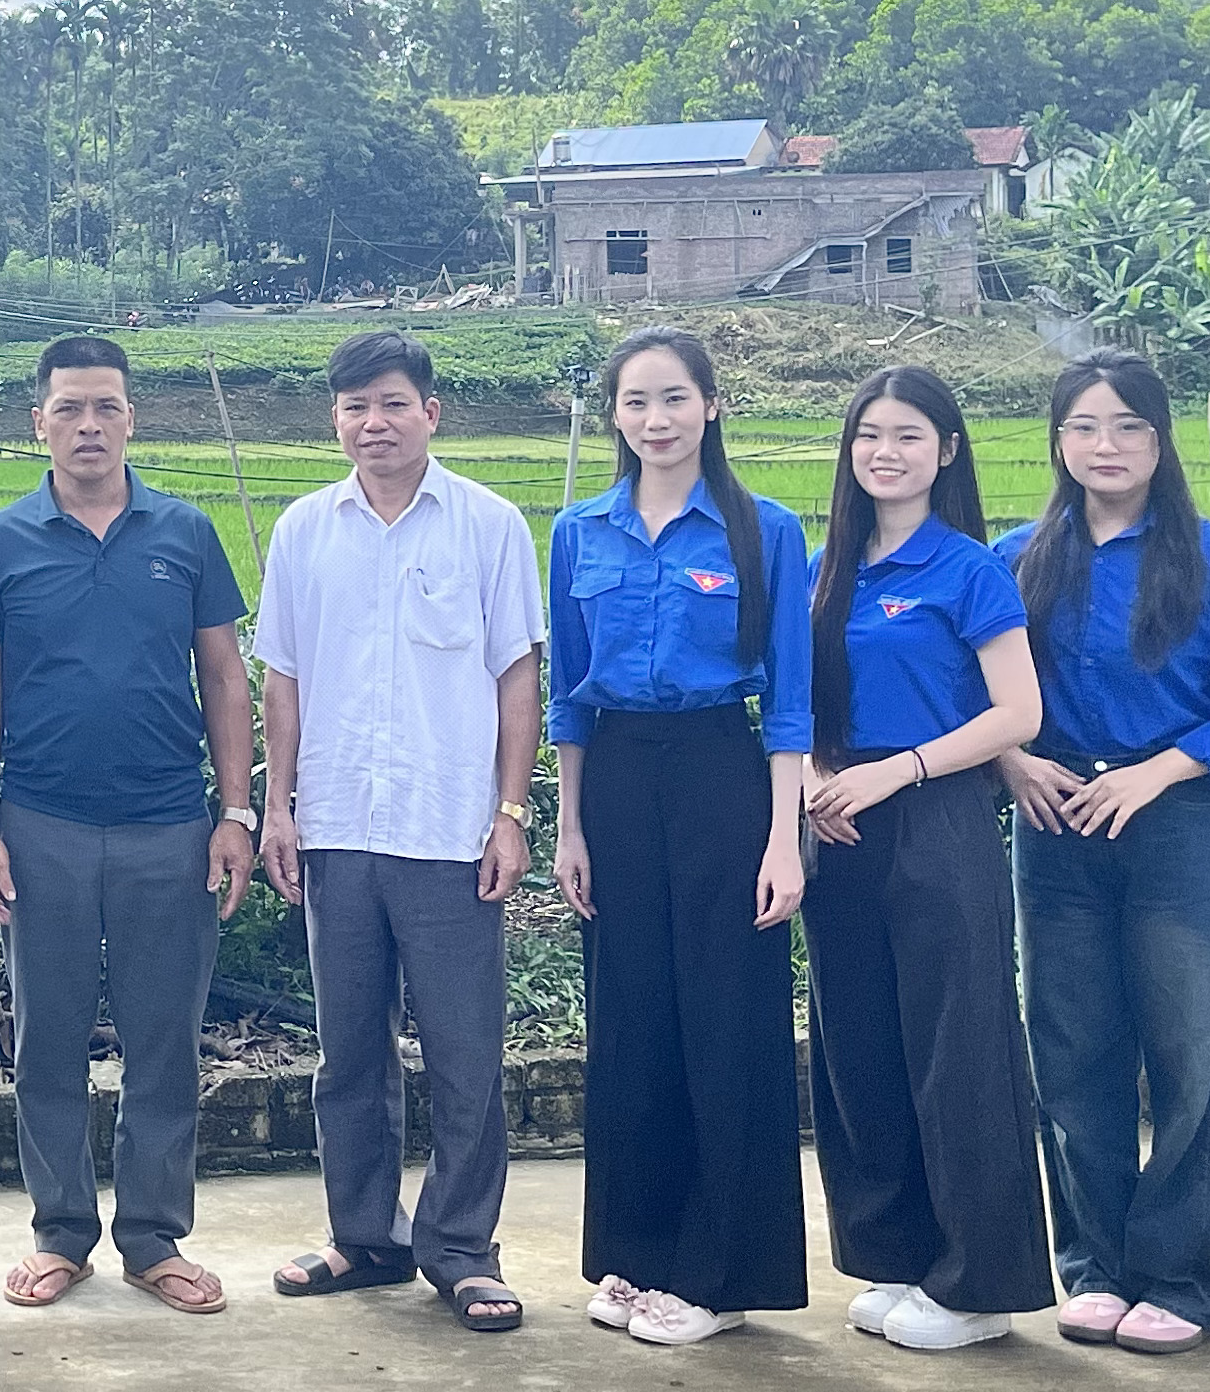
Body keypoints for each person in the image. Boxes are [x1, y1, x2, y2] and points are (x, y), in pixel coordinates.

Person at [994, 350, 1210, 1355]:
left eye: (1128, 425)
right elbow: (962, 687)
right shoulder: (1018, 558)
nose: (1106, 445)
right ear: (1058, 441)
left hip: (1178, 820)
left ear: (1161, 439)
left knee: (1190, 1048)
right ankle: (1094, 1267)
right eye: (1084, 425)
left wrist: (1161, 771)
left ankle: (1180, 1278)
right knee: (1069, 1047)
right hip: (1055, 821)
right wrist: (1010, 760)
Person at [0, 335, 257, 1319]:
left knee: (163, 1039)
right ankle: (60, 1233)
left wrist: (235, 810)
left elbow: (224, 675)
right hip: (39, 823)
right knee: (45, 1037)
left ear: (131, 418)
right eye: (68, 409)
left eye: (105, 408)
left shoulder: (185, 532)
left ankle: (152, 1238)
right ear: (38, 422)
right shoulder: (2, 542)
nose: (87, 426)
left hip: (168, 825)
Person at [253, 330, 540, 1332]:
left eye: (390, 404)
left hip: (448, 830)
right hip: (337, 828)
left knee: (465, 1054)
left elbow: (517, 675)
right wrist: (278, 806)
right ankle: (366, 1237)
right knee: (348, 1055)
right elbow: (282, 678)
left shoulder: (489, 525)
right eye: (353, 407)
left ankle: (461, 1249)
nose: (371, 424)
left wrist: (510, 812)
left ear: (430, 412)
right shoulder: (304, 529)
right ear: (334, 419)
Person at [546, 324, 812, 1348]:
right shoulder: (579, 531)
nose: (654, 419)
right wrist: (568, 826)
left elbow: (788, 701)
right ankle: (638, 1253)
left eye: (673, 398)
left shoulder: (763, 530)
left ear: (711, 405)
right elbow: (570, 698)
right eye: (635, 401)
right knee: (630, 1022)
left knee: (725, 1018)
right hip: (617, 780)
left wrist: (783, 840)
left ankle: (720, 1274)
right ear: (613, 415)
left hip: (719, 777)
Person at [798, 366, 1052, 1352]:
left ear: (946, 451)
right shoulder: (827, 568)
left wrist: (896, 771)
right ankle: (900, 1256)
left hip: (935, 814)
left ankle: (980, 1285)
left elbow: (1016, 713)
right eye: (869, 434)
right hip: (840, 822)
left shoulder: (968, 569)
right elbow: (797, 700)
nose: (885, 452)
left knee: (959, 1051)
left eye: (908, 435)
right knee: (860, 1047)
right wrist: (818, 778)